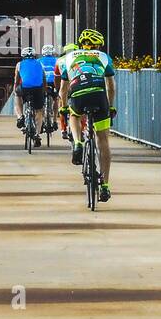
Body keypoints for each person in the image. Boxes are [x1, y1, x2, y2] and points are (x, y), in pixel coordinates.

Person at [58, 29, 116, 202]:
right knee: (103, 140)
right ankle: (105, 185)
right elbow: (111, 87)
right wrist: (110, 106)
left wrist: (63, 107)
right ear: (97, 45)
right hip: (99, 96)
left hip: (78, 94)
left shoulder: (68, 58)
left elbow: (63, 89)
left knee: (74, 116)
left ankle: (77, 142)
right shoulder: (103, 56)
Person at [13, 46, 47, 145]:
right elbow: (44, 79)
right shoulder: (40, 63)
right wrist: (43, 91)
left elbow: (16, 80)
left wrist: (15, 89)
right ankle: (37, 134)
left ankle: (20, 116)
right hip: (38, 89)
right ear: (34, 56)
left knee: (17, 96)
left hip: (25, 88)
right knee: (39, 111)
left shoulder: (19, 64)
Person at [53, 42, 78, 139]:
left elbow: (57, 77)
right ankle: (82, 129)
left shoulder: (59, 60)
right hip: (76, 85)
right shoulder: (78, 59)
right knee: (80, 109)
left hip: (65, 87)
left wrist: (57, 89)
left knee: (62, 106)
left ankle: (63, 129)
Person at [39, 44, 59, 134]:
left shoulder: (38, 61)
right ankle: (54, 120)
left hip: (42, 83)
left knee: (41, 102)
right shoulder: (57, 60)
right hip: (53, 82)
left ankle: (42, 121)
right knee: (56, 98)